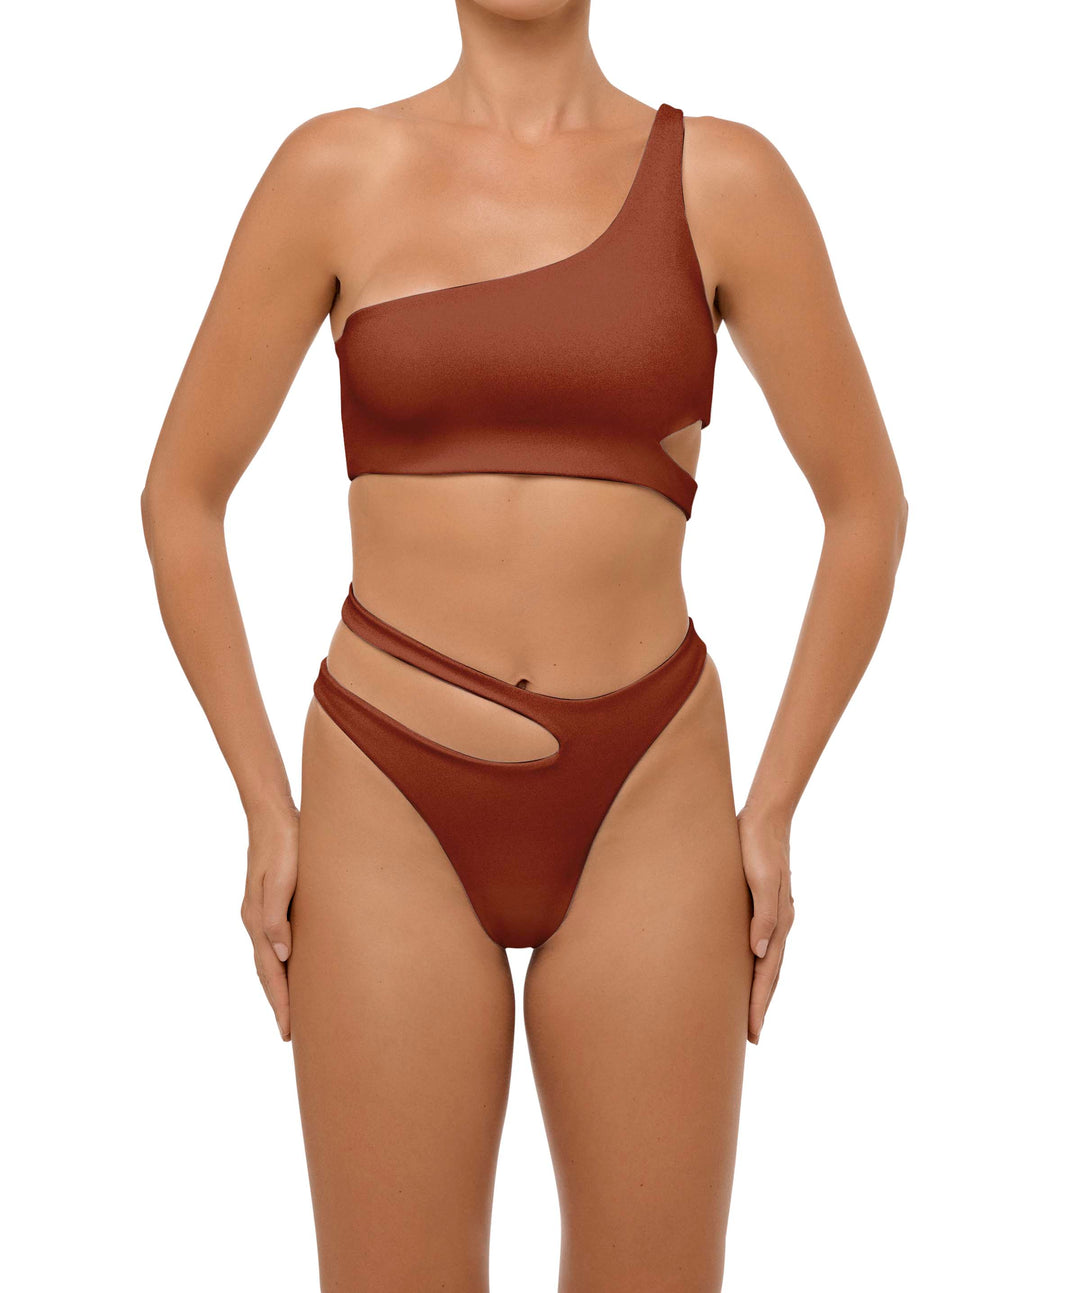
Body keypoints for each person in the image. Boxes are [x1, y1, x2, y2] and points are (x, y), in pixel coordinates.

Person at [141, 2, 907, 1287]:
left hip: (649, 792)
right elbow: (181, 495)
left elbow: (867, 508)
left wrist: (773, 809)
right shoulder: (334, 171)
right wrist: (265, 807)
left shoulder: (726, 181)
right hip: (388, 791)